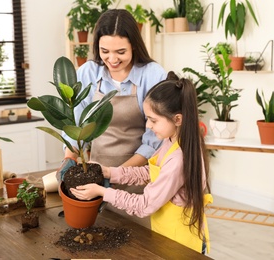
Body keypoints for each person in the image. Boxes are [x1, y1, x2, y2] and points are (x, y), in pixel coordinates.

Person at [70, 72, 213, 254]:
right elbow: (149, 173)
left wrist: (102, 192)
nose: (148, 126)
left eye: (153, 120)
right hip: (167, 235)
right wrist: (109, 172)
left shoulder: (179, 159)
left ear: (177, 119)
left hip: (182, 244)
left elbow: (144, 205)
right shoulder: (173, 140)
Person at [57, 9, 167, 181]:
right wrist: (69, 158)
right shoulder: (88, 72)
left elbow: (156, 137)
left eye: (121, 52)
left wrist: (116, 174)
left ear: (135, 46)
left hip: (140, 175)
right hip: (98, 174)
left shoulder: (153, 75)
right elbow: (76, 121)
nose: (112, 59)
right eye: (105, 51)